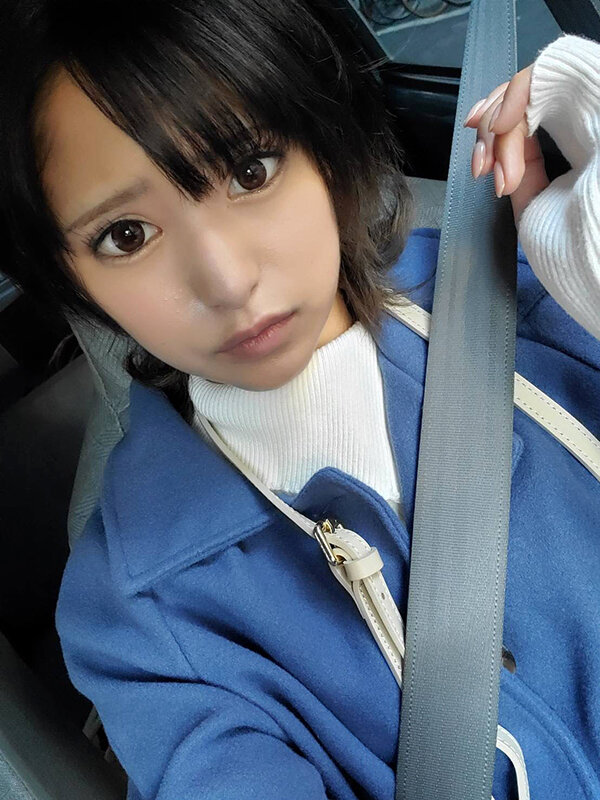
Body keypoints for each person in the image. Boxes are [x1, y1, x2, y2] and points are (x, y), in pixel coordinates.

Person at [0, 1, 598, 798]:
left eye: (250, 171)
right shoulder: (140, 614)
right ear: (73, 284)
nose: (226, 280)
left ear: (324, 146)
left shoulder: (537, 284)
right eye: (126, 236)